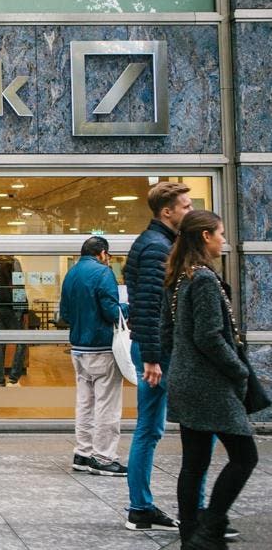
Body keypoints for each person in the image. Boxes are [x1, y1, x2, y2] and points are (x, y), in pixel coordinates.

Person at [160, 211, 258, 549]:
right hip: (209, 384)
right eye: (220, 233)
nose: (223, 240)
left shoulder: (177, 277)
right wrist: (239, 369)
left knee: (194, 462)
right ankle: (210, 525)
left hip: (186, 380)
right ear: (204, 236)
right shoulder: (202, 279)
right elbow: (210, 336)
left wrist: (179, 366)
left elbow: (167, 333)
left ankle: (191, 535)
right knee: (245, 456)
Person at [123, 182, 192, 532]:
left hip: (155, 348)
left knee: (150, 428)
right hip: (156, 350)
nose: (190, 211)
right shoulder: (156, 247)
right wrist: (152, 358)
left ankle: (141, 506)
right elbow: (149, 306)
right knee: (149, 429)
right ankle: (141, 507)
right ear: (167, 212)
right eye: (185, 206)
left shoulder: (153, 243)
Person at [60, 236, 129, 476]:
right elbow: (112, 312)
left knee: (85, 403)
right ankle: (103, 457)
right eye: (107, 256)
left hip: (78, 348)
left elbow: (65, 314)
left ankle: (83, 453)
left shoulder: (71, 274)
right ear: (102, 253)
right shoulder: (103, 273)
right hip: (101, 347)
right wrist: (128, 306)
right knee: (107, 404)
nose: (108, 260)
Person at [0, 255, 28, 387]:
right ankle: (13, 379)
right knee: (21, 342)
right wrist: (23, 309)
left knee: (0, 345)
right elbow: (18, 286)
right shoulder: (13, 262)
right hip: (12, 308)